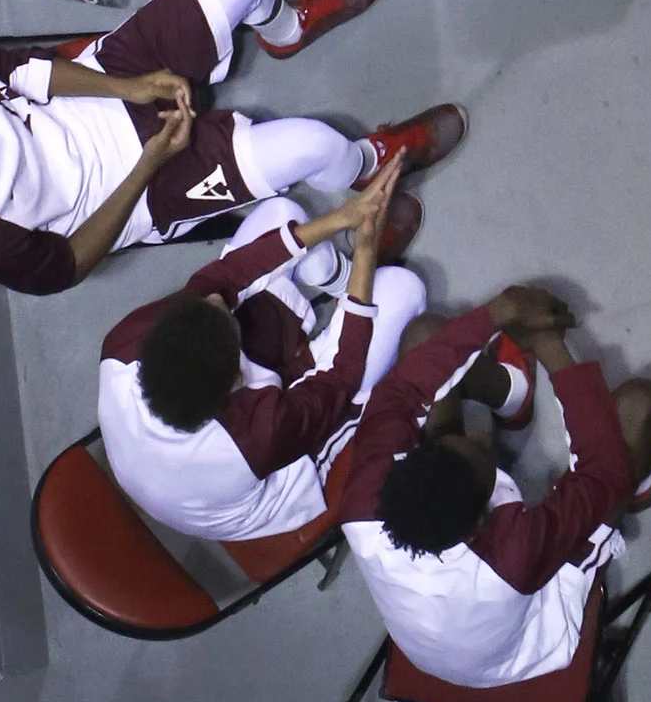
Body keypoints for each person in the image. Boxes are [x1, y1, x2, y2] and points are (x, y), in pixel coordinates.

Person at [0, 0, 465, 293]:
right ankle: (370, 164)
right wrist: (148, 163)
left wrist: (127, 85)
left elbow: (19, 69)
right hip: (136, 189)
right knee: (315, 145)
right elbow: (69, 263)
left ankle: (286, 30)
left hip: (100, 88)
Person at [341, 281, 651, 685]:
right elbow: (604, 471)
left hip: (442, 632)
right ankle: (636, 491)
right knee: (640, 406)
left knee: (425, 335)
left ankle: (514, 395)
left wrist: (501, 310)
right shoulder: (513, 554)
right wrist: (549, 344)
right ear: (484, 521)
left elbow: (404, 389)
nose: (481, 436)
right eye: (484, 454)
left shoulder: (365, 492)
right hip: (525, 633)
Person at [98, 167, 427, 543]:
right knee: (405, 289)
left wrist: (342, 217)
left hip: (228, 416)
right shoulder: (252, 439)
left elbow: (220, 279)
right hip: (278, 471)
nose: (216, 298)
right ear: (238, 379)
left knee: (282, 215)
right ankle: (362, 278)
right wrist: (367, 250)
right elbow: (342, 374)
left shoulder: (125, 341)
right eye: (227, 315)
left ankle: (344, 278)